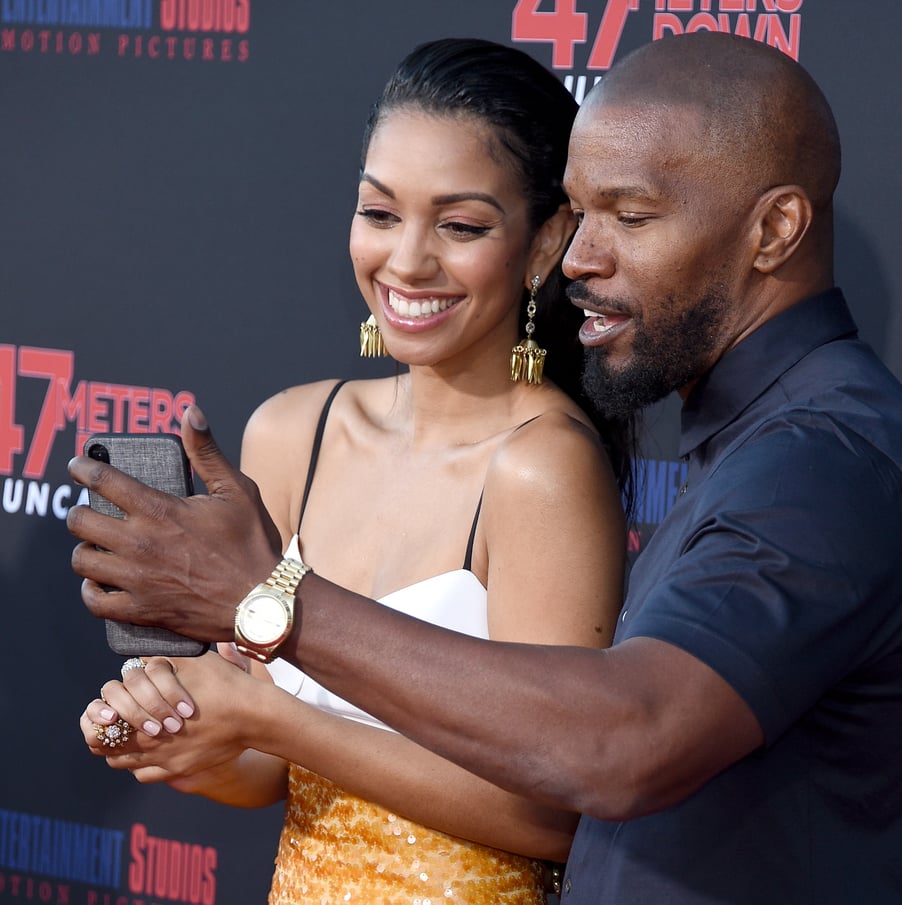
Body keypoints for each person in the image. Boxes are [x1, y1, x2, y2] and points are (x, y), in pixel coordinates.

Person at [69, 31, 902, 903]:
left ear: (774, 230)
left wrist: (269, 604)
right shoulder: (763, 442)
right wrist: (206, 727)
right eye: (583, 215)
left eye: (629, 217)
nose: (583, 260)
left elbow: (617, 745)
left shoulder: (822, 461)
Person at [76, 38, 636, 905]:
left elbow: (554, 813)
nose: (407, 261)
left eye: (460, 225)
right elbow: (268, 772)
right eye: (380, 213)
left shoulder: (542, 470)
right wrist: (179, 729)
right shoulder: (293, 430)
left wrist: (272, 717)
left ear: (544, 242)